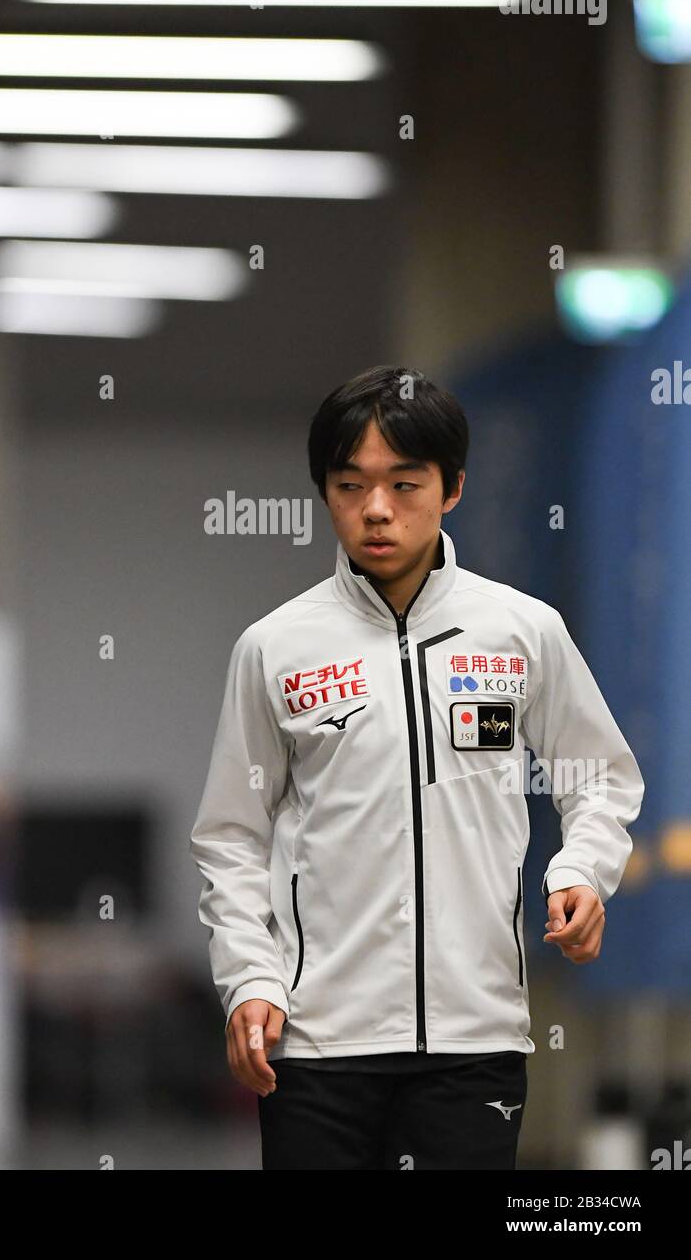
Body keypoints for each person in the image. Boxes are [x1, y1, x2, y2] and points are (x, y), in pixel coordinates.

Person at [189, 365, 645, 1170]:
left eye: (405, 484)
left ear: (453, 488)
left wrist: (584, 868)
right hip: (315, 1045)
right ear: (324, 493)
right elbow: (230, 837)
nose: (375, 510)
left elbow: (598, 774)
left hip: (475, 1040)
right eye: (349, 485)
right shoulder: (275, 648)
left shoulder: (522, 632)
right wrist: (250, 982)